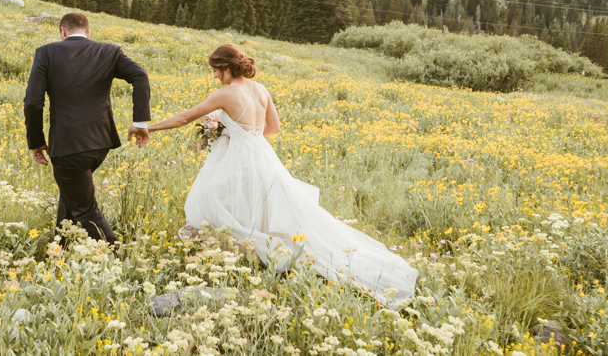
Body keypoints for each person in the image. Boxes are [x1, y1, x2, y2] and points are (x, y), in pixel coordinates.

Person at [129, 43, 417, 307]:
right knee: (258, 204)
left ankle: (238, 257)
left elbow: (184, 118)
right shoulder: (260, 89)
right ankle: (249, 255)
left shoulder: (226, 93)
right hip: (262, 155)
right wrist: (242, 135)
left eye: (216, 71)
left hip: (239, 159)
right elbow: (273, 128)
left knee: (212, 197)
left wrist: (147, 128)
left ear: (227, 68)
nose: (215, 76)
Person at [24, 12, 151, 245]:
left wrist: (36, 141)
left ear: (62, 31)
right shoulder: (109, 51)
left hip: (68, 143)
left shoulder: (47, 53)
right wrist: (139, 122)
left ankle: (118, 255)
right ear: (88, 32)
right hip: (100, 142)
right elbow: (140, 76)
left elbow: (33, 102)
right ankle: (58, 252)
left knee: (85, 209)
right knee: (71, 194)